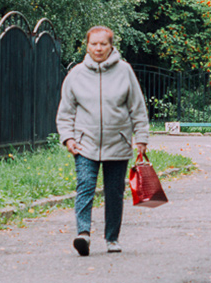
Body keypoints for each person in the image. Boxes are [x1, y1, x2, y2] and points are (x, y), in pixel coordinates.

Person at [56, 26, 150, 256]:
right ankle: (83, 235)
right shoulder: (76, 75)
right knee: (85, 186)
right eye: (94, 44)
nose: (98, 48)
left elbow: (137, 108)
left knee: (114, 192)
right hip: (85, 144)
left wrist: (141, 138)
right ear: (86, 46)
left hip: (117, 143)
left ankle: (112, 239)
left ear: (111, 45)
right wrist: (68, 137)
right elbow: (66, 111)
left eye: (103, 44)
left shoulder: (125, 71)